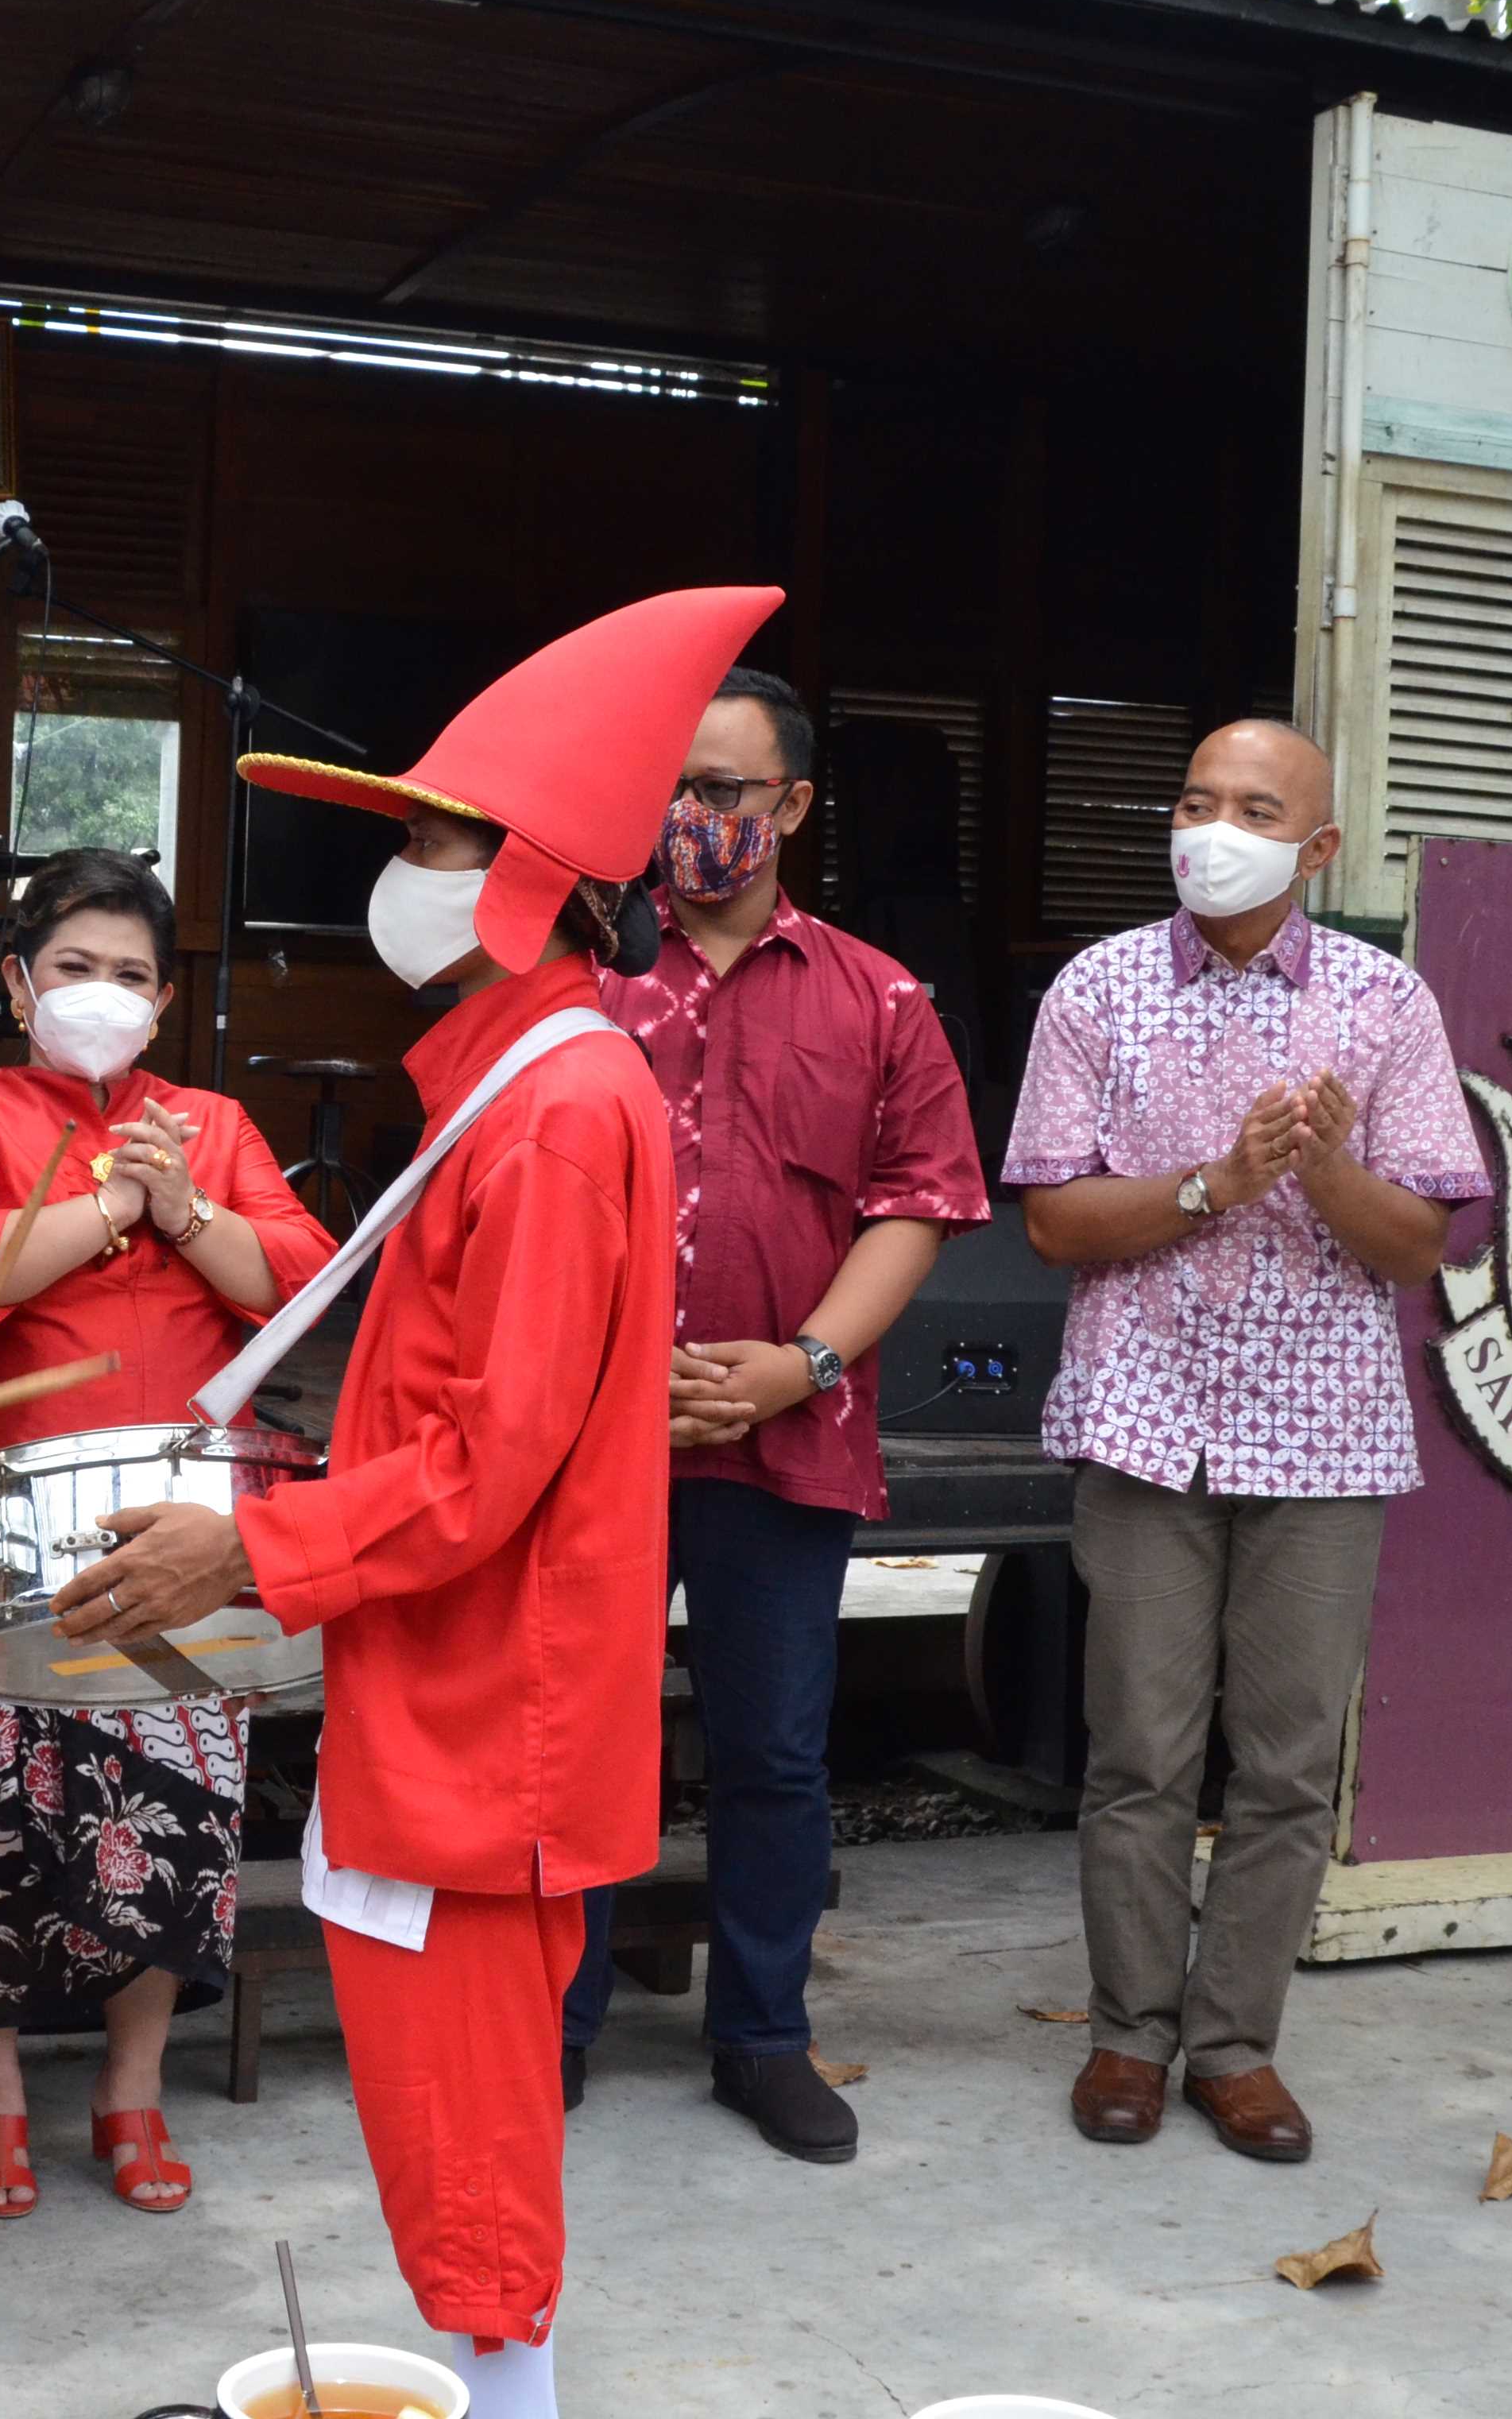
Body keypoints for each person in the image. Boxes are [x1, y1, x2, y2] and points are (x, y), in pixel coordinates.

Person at [49, 585, 786, 2419]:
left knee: (468, 2137)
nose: (406, 875)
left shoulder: (550, 1109)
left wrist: (252, 1546)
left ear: (529, 880)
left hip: (492, 1712)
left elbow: (493, 1460)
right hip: (453, 1677)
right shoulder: (523, 1083)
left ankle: (506, 2402)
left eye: (436, 844)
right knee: (452, 2111)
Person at [1008, 718, 1488, 2168]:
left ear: (1319, 849)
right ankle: (1128, 2035)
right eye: (1197, 800)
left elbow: (1417, 1247)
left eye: (1256, 807)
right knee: (1140, 1752)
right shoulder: (1098, 987)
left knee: (1284, 1768)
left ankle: (1235, 2045)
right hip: (1147, 1421)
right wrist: (1222, 1181)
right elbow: (1051, 1219)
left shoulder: (1385, 1003)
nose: (1215, 827)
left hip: (1326, 1440)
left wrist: (1321, 1163)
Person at [559, 668, 991, 2162]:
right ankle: (552, 2029)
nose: (694, 820)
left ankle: (761, 2035)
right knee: (584, 1735)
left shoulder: (881, 997)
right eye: (673, 791)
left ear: (793, 807)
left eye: (726, 792)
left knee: (774, 1755)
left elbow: (917, 1208)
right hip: (591, 1439)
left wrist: (800, 1363)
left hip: (788, 1430)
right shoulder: (581, 980)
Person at [0, 848, 335, 2220]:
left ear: (162, 1002)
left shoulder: (214, 1121)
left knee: (181, 1817)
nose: (102, 994)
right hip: (5, 1528)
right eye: (73, 967)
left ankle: (133, 2087)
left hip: (182, 1524)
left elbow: (299, 1285)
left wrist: (185, 1205)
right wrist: (110, 1209)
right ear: (21, 984)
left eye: (130, 976)